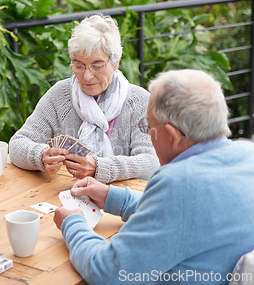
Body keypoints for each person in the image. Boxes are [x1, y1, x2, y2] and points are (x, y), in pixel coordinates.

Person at [53, 69, 254, 284]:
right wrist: (111, 196)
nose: (147, 133)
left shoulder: (178, 183)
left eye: (149, 126)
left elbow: (108, 272)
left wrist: (73, 223)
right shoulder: (247, 154)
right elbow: (185, 215)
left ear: (173, 135)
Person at [9, 14, 159, 184]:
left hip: (122, 202)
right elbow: (17, 144)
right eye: (78, 65)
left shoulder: (140, 102)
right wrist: (40, 155)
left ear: (115, 62)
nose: (87, 76)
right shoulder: (60, 95)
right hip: (67, 196)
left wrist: (100, 168)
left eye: (97, 66)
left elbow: (151, 163)